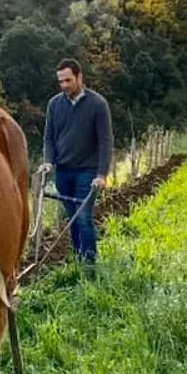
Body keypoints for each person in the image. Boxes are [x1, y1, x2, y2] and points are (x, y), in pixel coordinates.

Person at [38, 58, 113, 266]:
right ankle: (79, 258)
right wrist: (48, 162)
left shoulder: (98, 104)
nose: (64, 85)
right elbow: (49, 138)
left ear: (80, 77)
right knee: (71, 219)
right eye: (60, 81)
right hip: (62, 171)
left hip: (87, 172)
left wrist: (101, 175)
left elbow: (105, 143)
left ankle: (89, 266)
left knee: (83, 218)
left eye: (68, 81)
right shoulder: (54, 104)